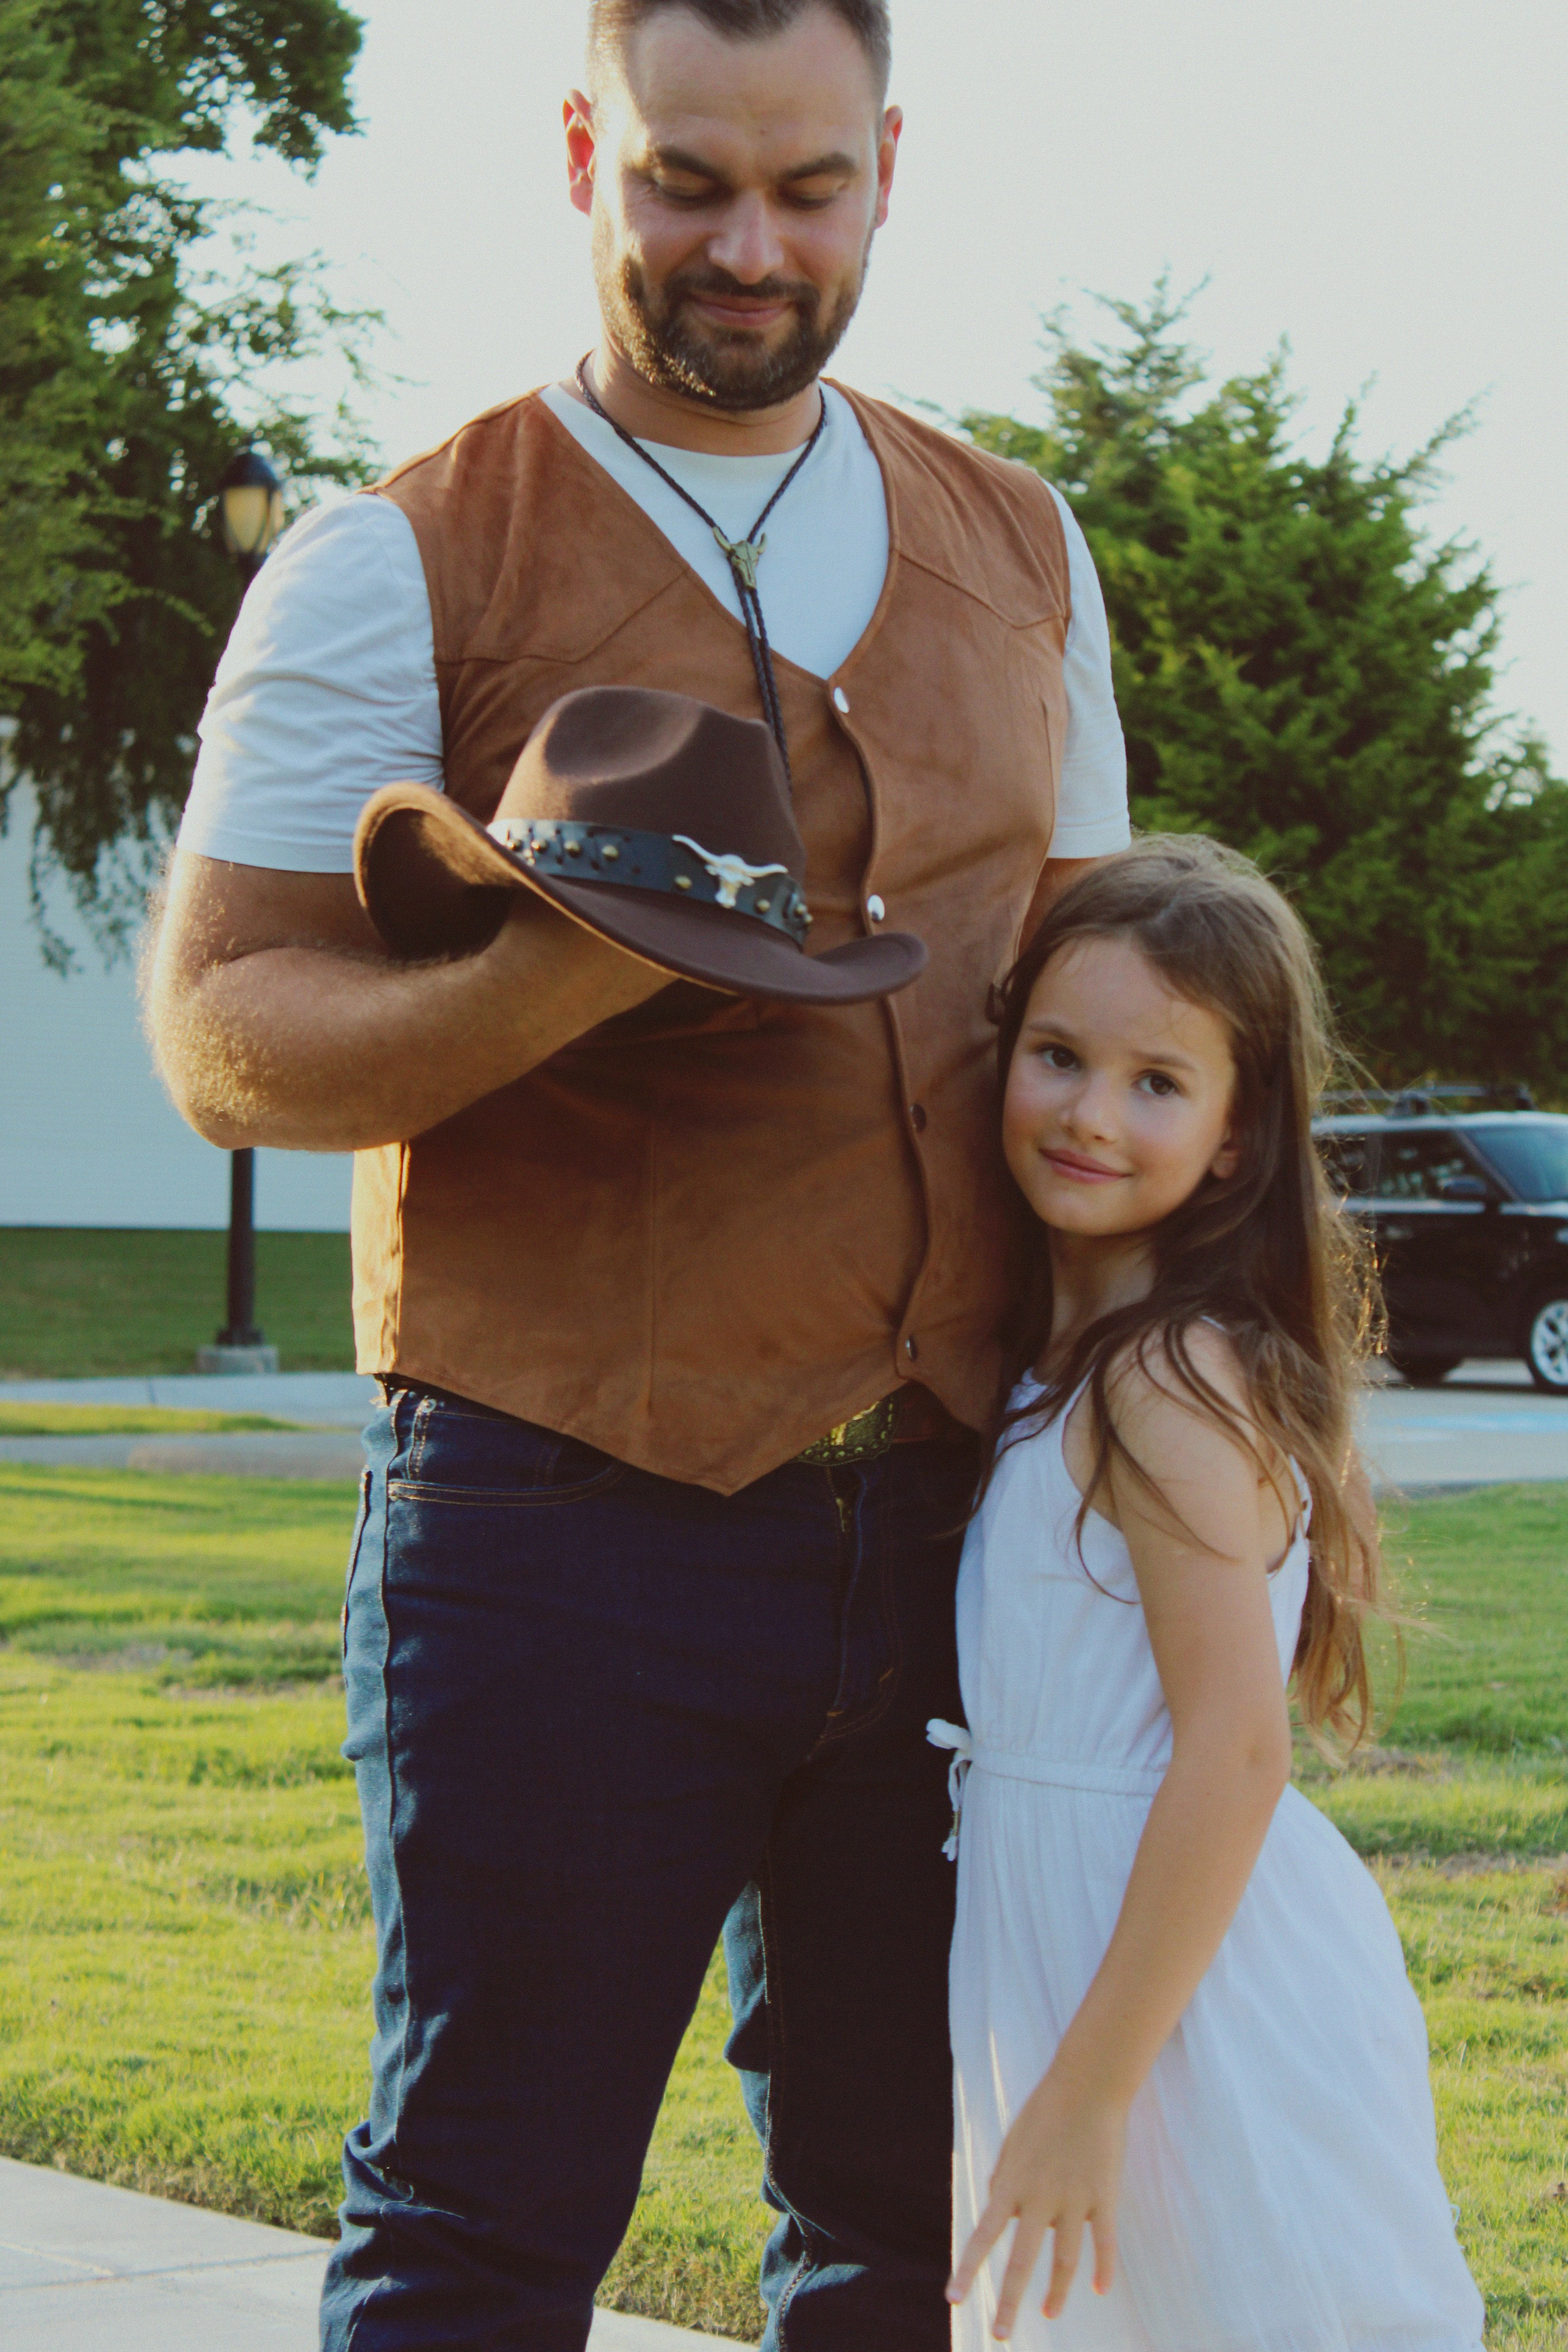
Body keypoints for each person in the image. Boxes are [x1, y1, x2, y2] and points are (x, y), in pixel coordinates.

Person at [144, 1, 1131, 2345]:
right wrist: (565, 980)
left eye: (806, 188)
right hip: (553, 1520)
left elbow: (1091, 1002)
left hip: (960, 1528)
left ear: (891, 161)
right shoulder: (395, 557)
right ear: (588, 144)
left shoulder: (1028, 546)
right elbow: (218, 1033)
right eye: (688, 180)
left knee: (909, 2234)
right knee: (485, 2236)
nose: (749, 247)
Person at [929, 836, 1486, 2350]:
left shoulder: (1165, 1379)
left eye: (1156, 1084)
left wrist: (1089, 2094)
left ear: (1236, 1137)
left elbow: (1236, 1750)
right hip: (1072, 1935)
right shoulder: (1063, 1366)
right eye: (1056, 1056)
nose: (1088, 1115)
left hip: (1178, 1986)